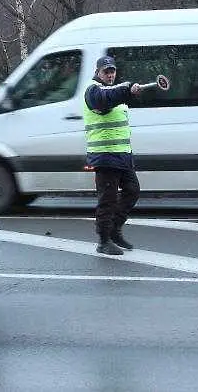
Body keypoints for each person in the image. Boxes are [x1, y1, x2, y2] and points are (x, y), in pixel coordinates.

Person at [82, 55, 142, 256]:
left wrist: (129, 92)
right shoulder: (93, 91)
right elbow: (104, 100)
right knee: (107, 199)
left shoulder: (116, 92)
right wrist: (127, 90)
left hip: (122, 155)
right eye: (106, 71)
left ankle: (115, 229)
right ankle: (103, 240)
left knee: (132, 190)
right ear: (97, 72)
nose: (110, 75)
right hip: (104, 156)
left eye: (112, 71)